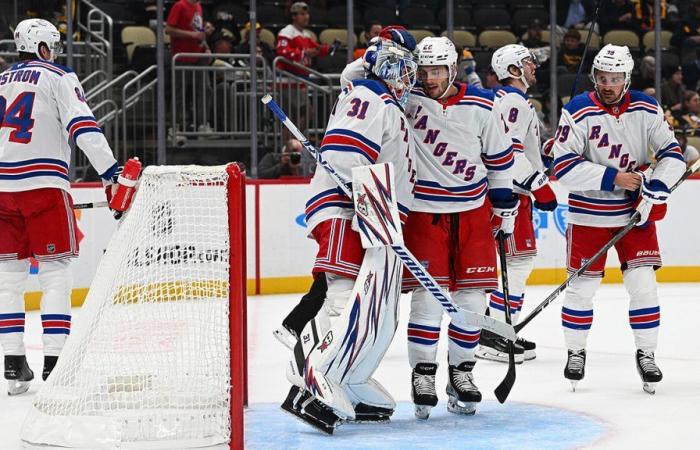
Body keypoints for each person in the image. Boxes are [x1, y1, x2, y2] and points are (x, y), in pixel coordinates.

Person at [278, 37, 418, 430]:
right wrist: (366, 207)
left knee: (376, 311)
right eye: (403, 69)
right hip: (349, 210)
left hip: (374, 214)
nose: (409, 78)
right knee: (343, 298)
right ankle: (307, 373)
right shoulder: (370, 96)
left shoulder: (386, 103)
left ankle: (347, 379)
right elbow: (343, 154)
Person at [551, 44, 686, 394]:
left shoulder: (646, 106)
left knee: (643, 286)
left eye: (614, 78)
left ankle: (646, 353)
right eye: (601, 77)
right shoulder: (578, 110)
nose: (607, 84)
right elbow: (562, 167)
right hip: (588, 216)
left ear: (626, 79)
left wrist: (657, 184)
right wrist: (614, 178)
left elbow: (673, 154)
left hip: (634, 214)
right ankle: (575, 352)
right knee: (581, 289)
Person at [0, 19, 119, 395]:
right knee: (55, 275)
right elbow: (83, 127)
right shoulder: (57, 76)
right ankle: (56, 363)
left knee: (7, 282)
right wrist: (110, 171)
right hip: (44, 187)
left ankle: (13, 365)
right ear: (41, 46)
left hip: (1, 189)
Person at [402, 37, 516, 419]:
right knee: (429, 300)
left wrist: (506, 209)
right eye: (422, 70)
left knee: (471, 301)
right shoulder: (405, 101)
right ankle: (423, 374)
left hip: (472, 215)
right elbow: (354, 85)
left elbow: (500, 162)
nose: (428, 78)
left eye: (436, 70)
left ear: (452, 69)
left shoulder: (483, 104)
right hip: (423, 214)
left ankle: (462, 373)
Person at [476, 44, 558, 364]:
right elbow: (509, 153)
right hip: (509, 192)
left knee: (513, 261)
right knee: (518, 262)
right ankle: (494, 333)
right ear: (512, 70)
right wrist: (540, 186)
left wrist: (541, 155)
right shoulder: (513, 101)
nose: (533, 66)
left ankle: (497, 328)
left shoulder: (508, 101)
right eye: (527, 62)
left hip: (501, 190)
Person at [275, 2, 330, 76]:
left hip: (301, 77)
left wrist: (328, 48)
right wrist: (304, 53)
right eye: (302, 14)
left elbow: (317, 49)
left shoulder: (306, 35)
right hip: (287, 79)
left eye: (307, 14)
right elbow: (282, 52)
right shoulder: (286, 32)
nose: (306, 17)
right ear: (293, 16)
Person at [165, 0, 209, 64]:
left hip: (198, 55)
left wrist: (206, 46)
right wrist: (191, 34)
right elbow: (168, 30)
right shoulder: (179, 5)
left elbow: (198, 29)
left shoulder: (199, 6)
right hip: (182, 57)